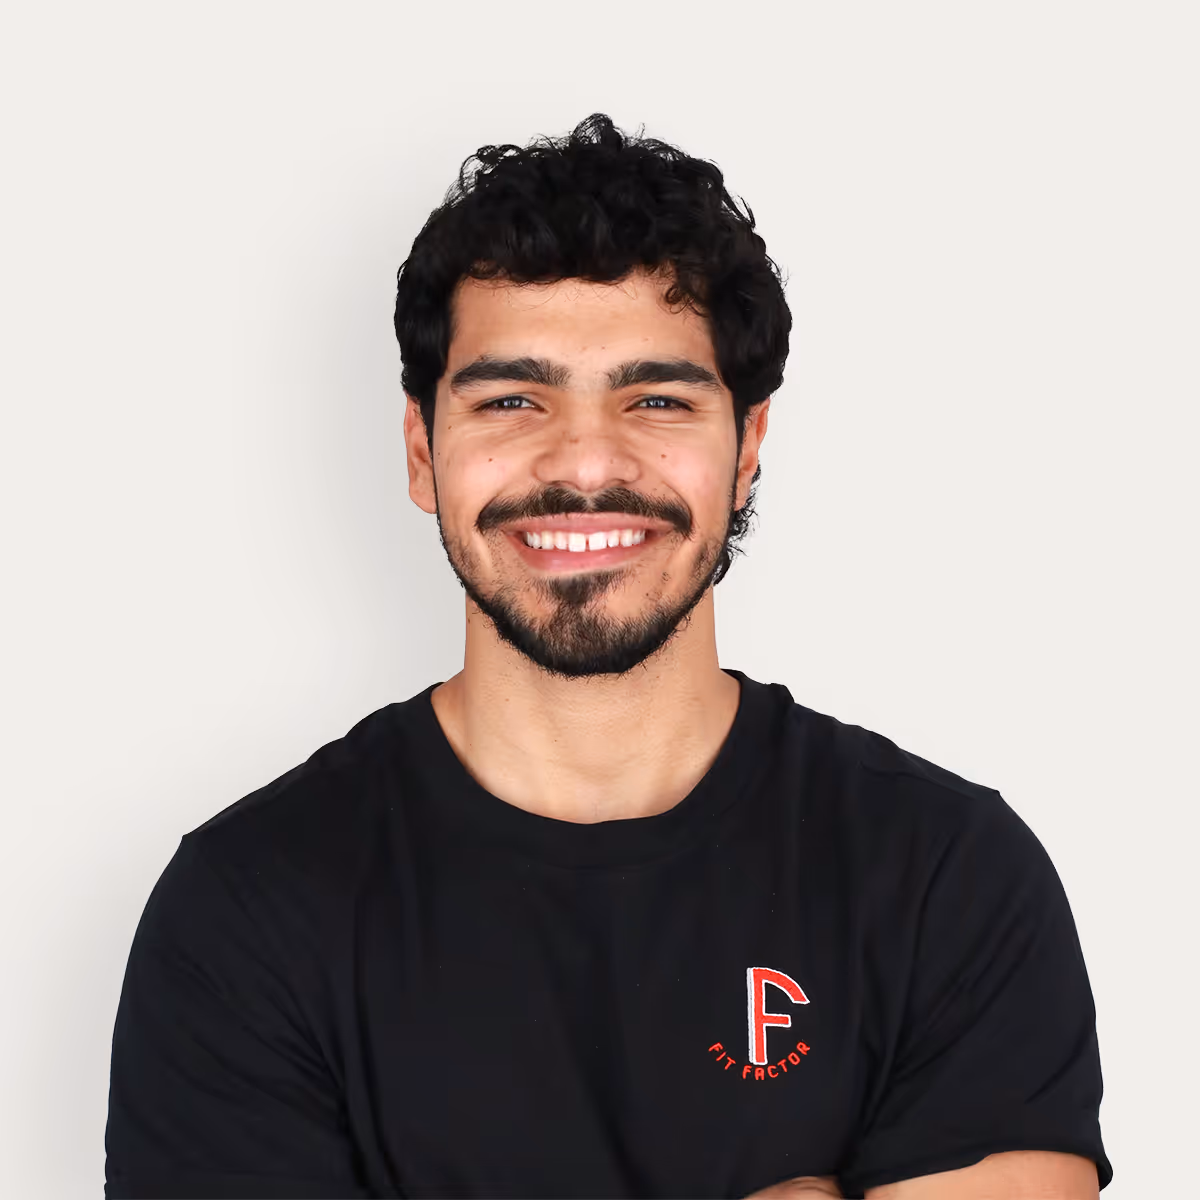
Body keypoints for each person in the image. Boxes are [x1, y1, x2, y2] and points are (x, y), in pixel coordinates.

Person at [104, 113, 1111, 1199]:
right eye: (511, 399)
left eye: (658, 398)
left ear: (747, 452)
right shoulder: (248, 908)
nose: (585, 462)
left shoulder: (946, 880)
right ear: (420, 450)